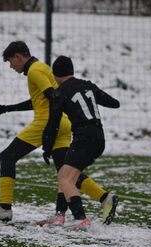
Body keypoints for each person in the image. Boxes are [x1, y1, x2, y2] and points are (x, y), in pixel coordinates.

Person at [0, 41, 118, 225]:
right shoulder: (42, 67)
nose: (11, 66)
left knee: (7, 156)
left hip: (48, 123)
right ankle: (101, 198)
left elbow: (53, 97)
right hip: (64, 123)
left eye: (10, 61)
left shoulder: (35, 71)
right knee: (66, 171)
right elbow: (46, 98)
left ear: (18, 57)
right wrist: (6, 108)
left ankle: (5, 209)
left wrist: (47, 135)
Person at [42, 55, 120, 229]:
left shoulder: (60, 92)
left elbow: (53, 124)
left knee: (64, 178)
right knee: (65, 173)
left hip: (84, 139)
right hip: (99, 138)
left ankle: (81, 219)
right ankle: (60, 214)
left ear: (55, 74)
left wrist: (46, 147)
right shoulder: (87, 85)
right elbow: (113, 103)